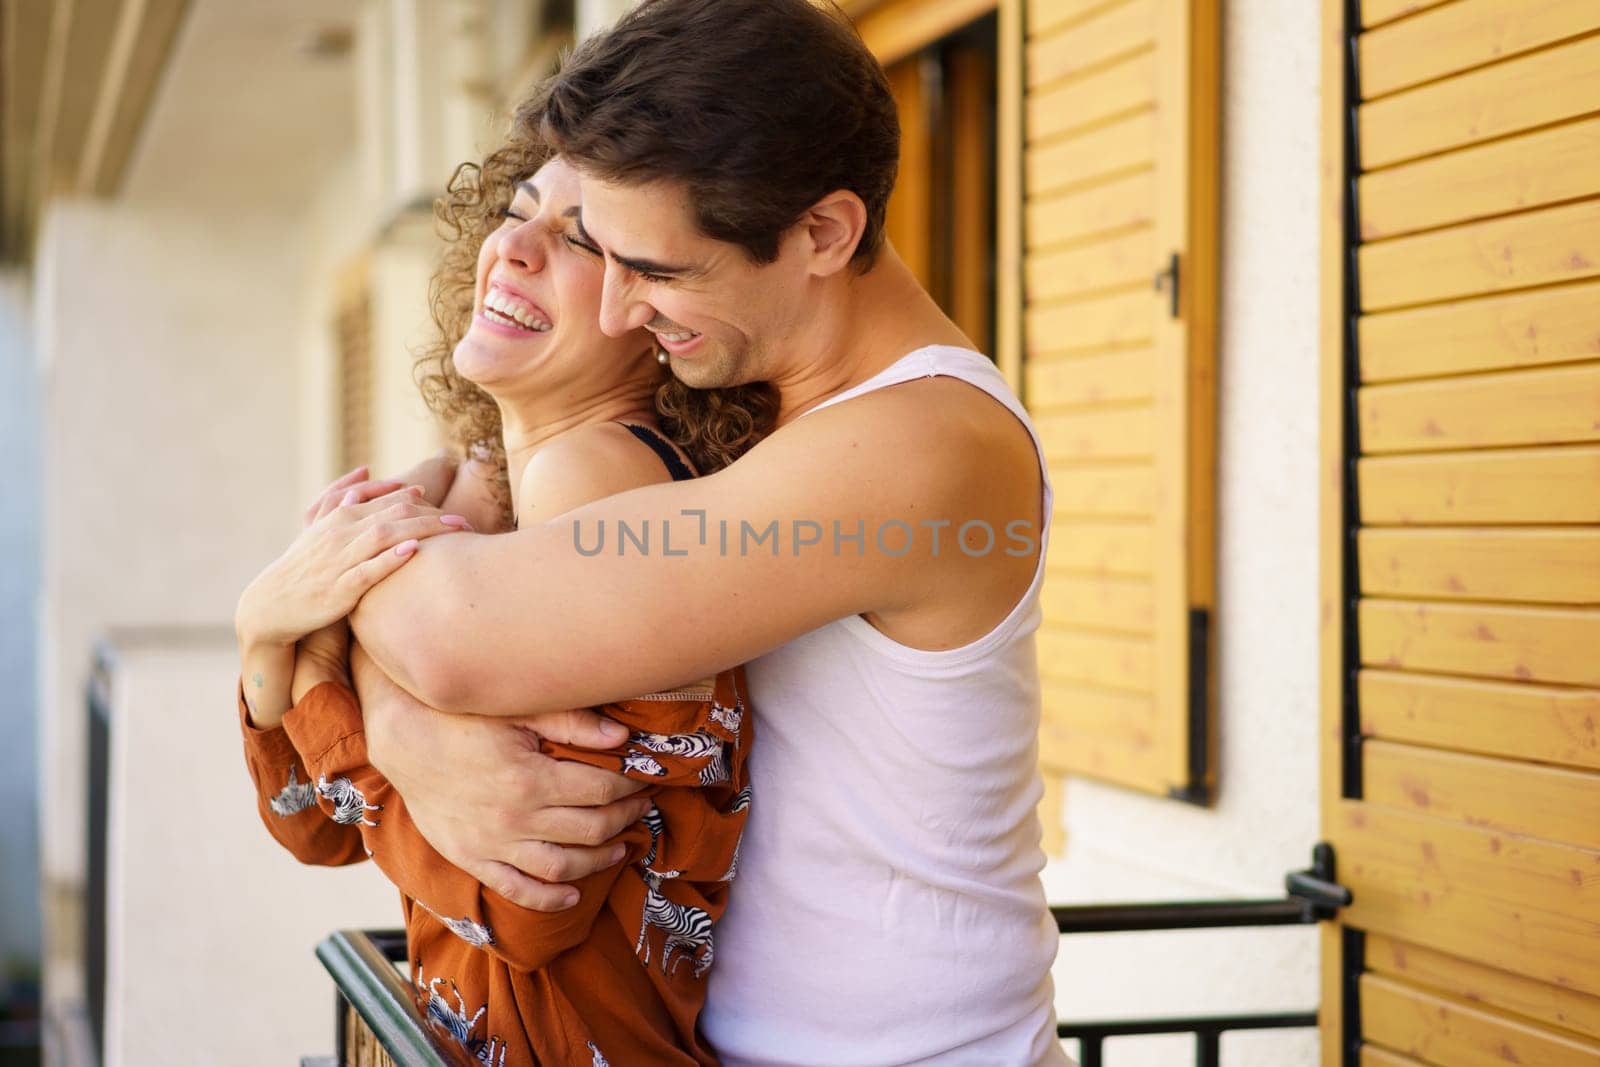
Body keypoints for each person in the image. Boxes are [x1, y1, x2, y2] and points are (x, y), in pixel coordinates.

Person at [341, 1, 1073, 1063]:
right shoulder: (766, 407)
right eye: (610, 255)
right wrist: (406, 731)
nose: (626, 307)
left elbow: (459, 630)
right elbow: (464, 596)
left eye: (659, 270)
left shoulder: (918, 448)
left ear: (824, 232)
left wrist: (327, 597)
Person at [233, 150, 775, 1064]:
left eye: (578, 237)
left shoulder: (606, 486)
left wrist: (315, 655)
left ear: (656, 317)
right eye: (518, 211)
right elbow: (311, 820)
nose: (512, 246)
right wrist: (266, 650)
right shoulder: (485, 500)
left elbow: (526, 907)